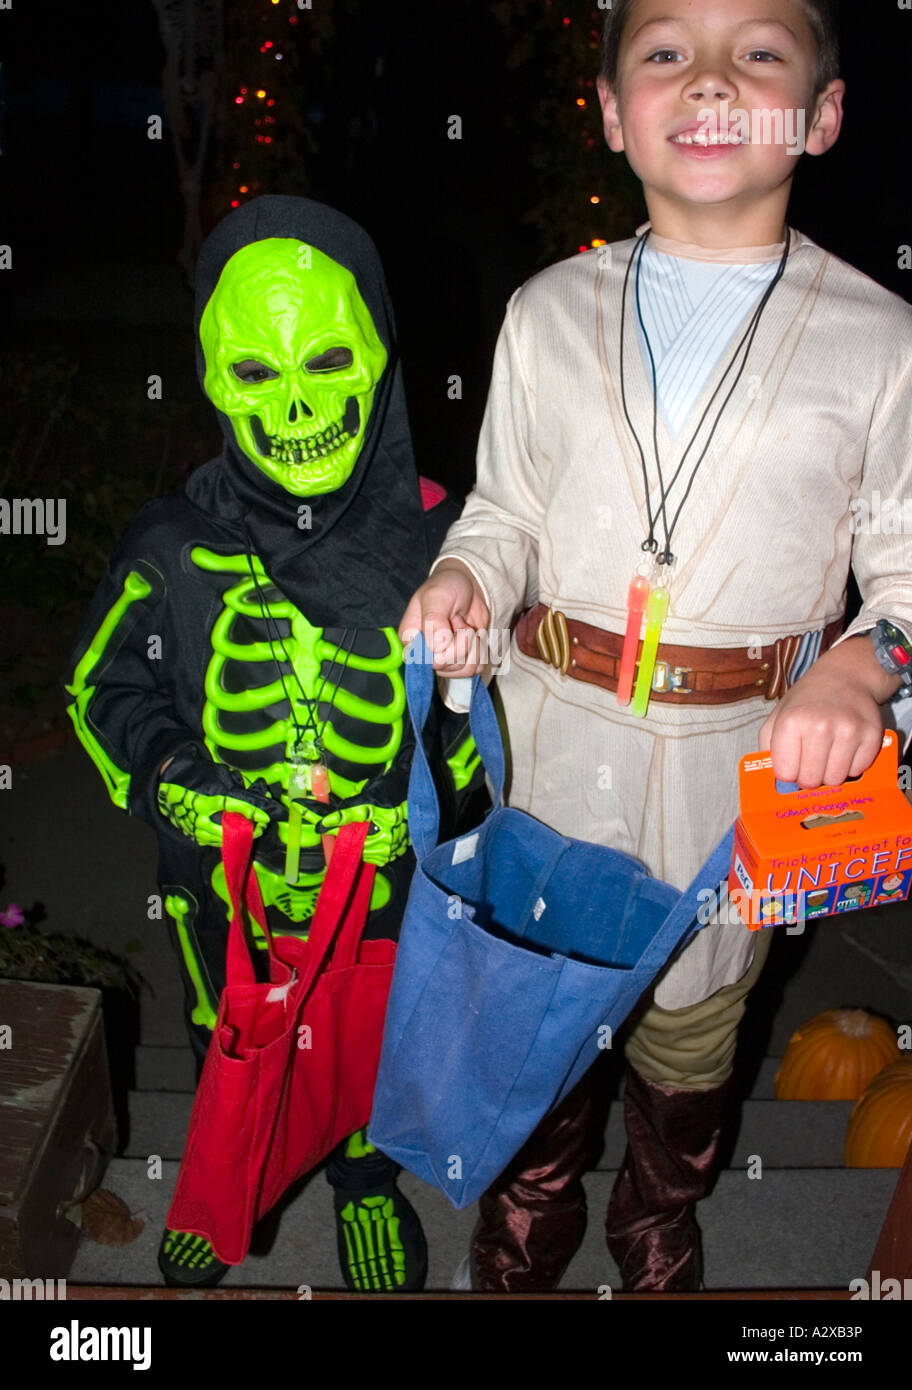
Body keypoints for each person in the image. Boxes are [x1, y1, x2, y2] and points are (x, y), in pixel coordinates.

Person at [399, 0, 912, 1292]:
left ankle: (659, 1207)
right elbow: (505, 511)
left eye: (761, 51)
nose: (713, 80)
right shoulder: (545, 309)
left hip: (735, 772)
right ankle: (528, 1206)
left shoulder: (883, 339)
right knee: (533, 1011)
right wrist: (466, 574)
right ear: (613, 112)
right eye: (667, 51)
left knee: (694, 1025)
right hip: (550, 749)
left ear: (823, 114)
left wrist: (866, 666)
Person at [64, 195, 480, 1290]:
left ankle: (363, 1184)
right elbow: (99, 687)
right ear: (212, 380)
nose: (295, 404)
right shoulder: (174, 543)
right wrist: (171, 775)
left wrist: (423, 809)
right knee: (222, 1027)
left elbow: (484, 724)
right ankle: (226, 1174)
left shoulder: (446, 542)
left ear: (380, 355)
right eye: (256, 371)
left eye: (328, 359)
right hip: (220, 884)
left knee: (370, 1037)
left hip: (378, 889)